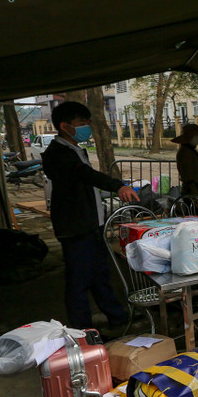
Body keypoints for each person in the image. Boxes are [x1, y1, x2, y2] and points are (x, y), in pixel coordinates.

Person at [41, 101, 140, 332]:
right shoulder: (58, 154)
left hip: (91, 225)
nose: (87, 127)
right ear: (65, 126)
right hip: (76, 228)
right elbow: (85, 174)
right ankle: (82, 333)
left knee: (101, 275)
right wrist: (118, 186)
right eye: (82, 124)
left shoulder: (75, 149)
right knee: (79, 281)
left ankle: (118, 318)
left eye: (88, 123)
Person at [172, 123, 198, 201]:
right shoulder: (185, 152)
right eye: (195, 136)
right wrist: (195, 195)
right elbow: (187, 175)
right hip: (193, 192)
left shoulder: (191, 151)